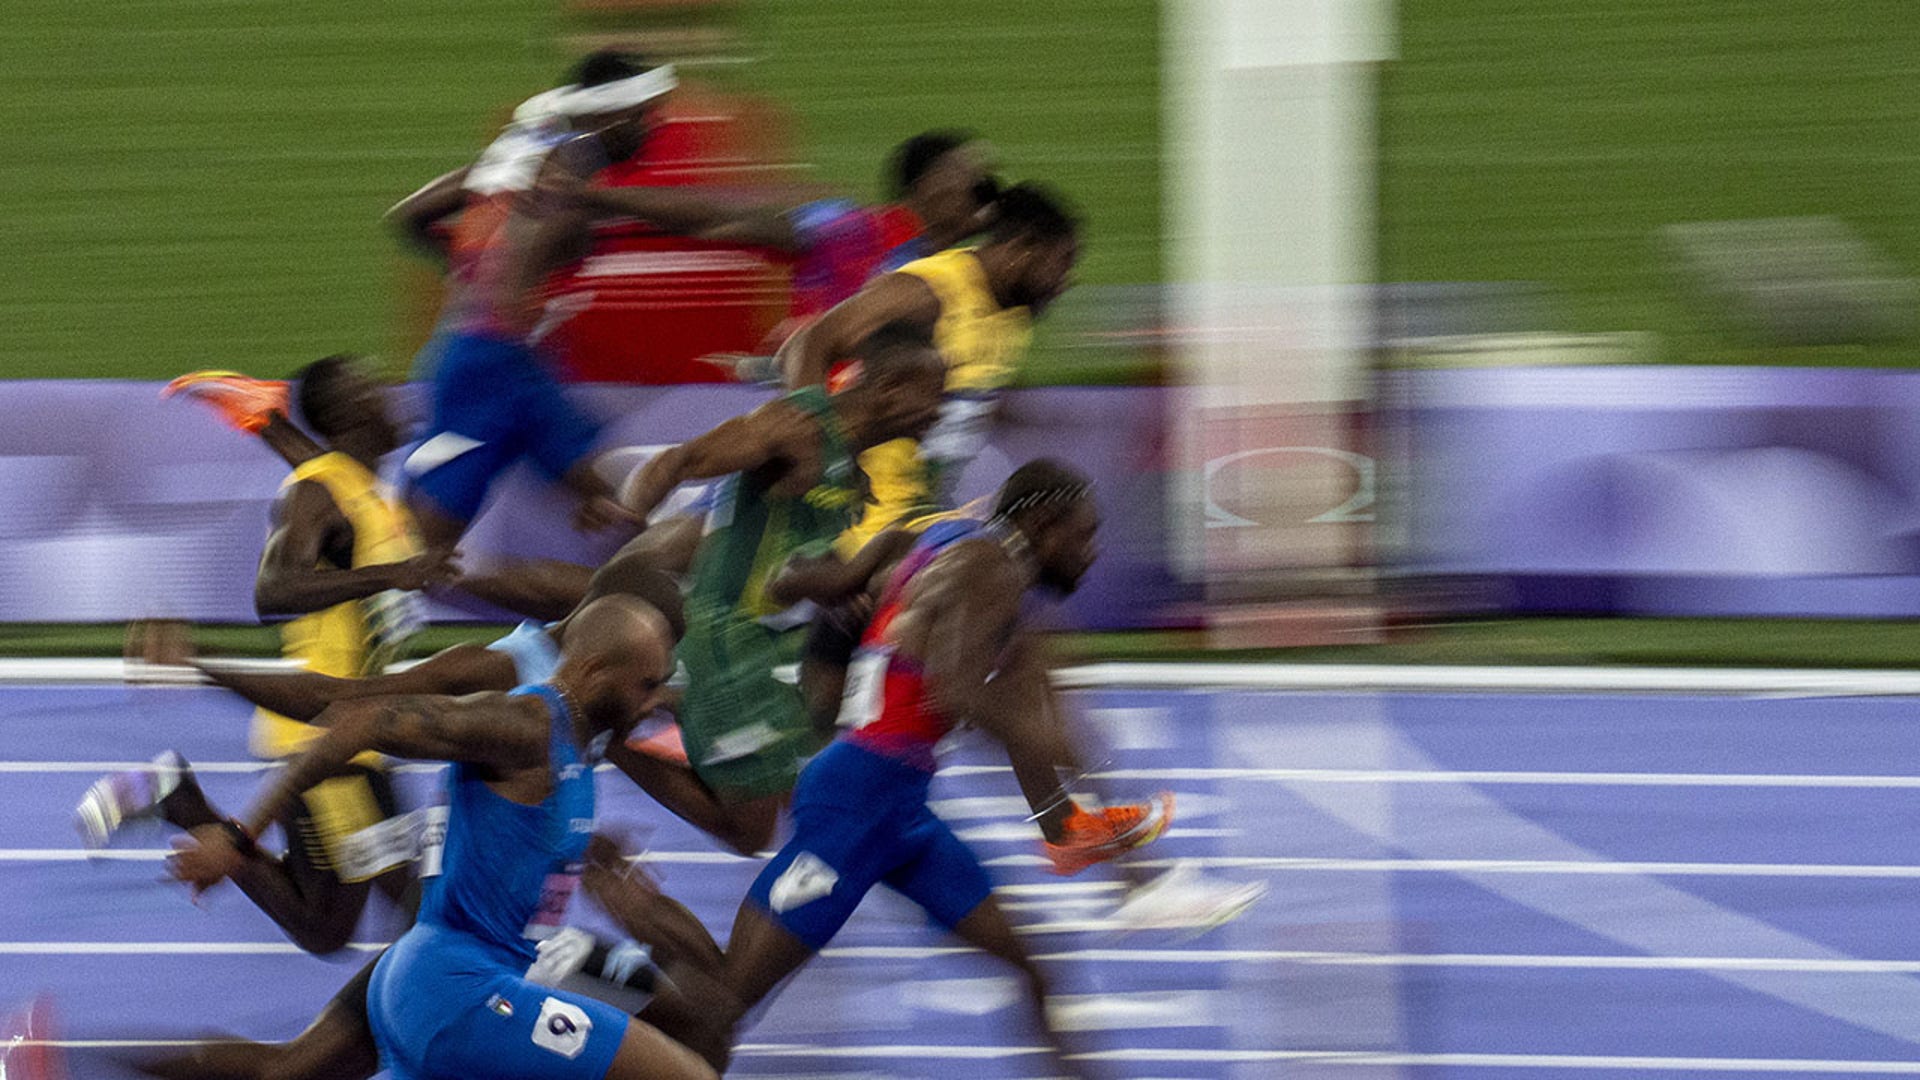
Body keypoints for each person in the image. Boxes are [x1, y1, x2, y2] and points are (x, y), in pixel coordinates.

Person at [167, 596, 718, 1080]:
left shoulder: (574, 738)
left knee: (690, 1022)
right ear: (596, 671)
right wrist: (240, 835)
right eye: (647, 686)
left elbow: (513, 831)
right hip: (459, 989)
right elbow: (362, 722)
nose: (655, 704)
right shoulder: (525, 726)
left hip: (455, 975)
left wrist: (579, 854)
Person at [717, 462, 1116, 1076]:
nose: (1092, 553)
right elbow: (952, 694)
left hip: (898, 810)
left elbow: (844, 590)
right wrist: (1039, 763)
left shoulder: (937, 537)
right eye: (1085, 535)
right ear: (1044, 525)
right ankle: (604, 1037)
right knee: (726, 1004)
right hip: (853, 810)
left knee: (1033, 967)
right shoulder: (994, 569)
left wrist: (797, 587)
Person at [80, 355, 453, 955]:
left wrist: (269, 423)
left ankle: (183, 800)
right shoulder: (318, 490)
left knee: (324, 927)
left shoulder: (360, 485)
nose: (392, 391)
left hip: (360, 727)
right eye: (374, 385)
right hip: (324, 739)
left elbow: (331, 485)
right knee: (418, 913)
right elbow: (273, 592)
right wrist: (395, 573)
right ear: (350, 413)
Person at [616, 320, 947, 854]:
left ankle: (680, 708)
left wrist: (837, 579)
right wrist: (631, 508)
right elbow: (682, 461)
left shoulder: (851, 468)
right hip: (727, 641)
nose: (940, 413)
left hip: (769, 648)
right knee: (751, 832)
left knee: (817, 781)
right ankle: (612, 739)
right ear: (890, 390)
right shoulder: (796, 429)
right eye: (935, 397)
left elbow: (793, 543)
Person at [384, 51, 677, 549]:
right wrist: (519, 307)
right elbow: (515, 293)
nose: (655, 125)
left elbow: (411, 215)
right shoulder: (564, 188)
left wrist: (469, 277)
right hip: (495, 368)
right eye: (643, 114)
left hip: (476, 357)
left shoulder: (521, 153)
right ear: (607, 117)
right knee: (416, 555)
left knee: (602, 500)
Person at [775, 181, 1080, 551]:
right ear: (1020, 249)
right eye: (1061, 263)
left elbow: (960, 394)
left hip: (919, 521)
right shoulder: (928, 292)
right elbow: (809, 344)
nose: (1064, 284)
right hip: (862, 522)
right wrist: (816, 458)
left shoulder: (1014, 315)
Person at [572, 130, 999, 355]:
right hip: (819, 421)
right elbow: (720, 219)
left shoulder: (979, 272)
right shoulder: (853, 231)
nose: (985, 188)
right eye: (969, 175)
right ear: (929, 184)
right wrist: (597, 195)